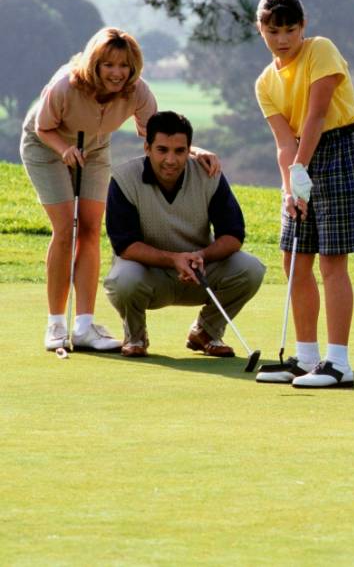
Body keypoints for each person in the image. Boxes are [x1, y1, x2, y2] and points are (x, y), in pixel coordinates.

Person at [21, 27, 221, 353]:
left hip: (95, 148)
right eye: (109, 65)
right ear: (95, 64)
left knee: (89, 229)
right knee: (65, 230)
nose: (117, 73)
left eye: (124, 65)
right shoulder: (65, 86)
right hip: (46, 146)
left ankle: (84, 326)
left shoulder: (137, 92)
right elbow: (43, 128)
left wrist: (194, 151)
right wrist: (64, 151)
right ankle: (56, 324)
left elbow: (158, 135)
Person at [250, 0, 354, 388]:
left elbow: (318, 115)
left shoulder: (321, 50)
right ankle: (306, 359)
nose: (283, 39)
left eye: (290, 29)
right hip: (302, 156)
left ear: (303, 27)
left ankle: (338, 363)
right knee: (294, 259)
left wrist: (302, 165)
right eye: (274, 30)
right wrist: (290, 186)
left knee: (331, 260)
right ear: (260, 29)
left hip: (342, 147)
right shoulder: (265, 83)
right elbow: (284, 141)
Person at [102, 111, 265, 358]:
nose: (171, 159)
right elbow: (125, 245)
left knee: (251, 268)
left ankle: (206, 332)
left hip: (200, 271)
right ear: (148, 148)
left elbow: (233, 235)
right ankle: (135, 336)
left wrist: (201, 255)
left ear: (189, 150)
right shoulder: (125, 179)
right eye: (162, 150)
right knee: (124, 279)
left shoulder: (209, 175)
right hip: (148, 274)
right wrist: (173, 259)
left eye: (179, 151)